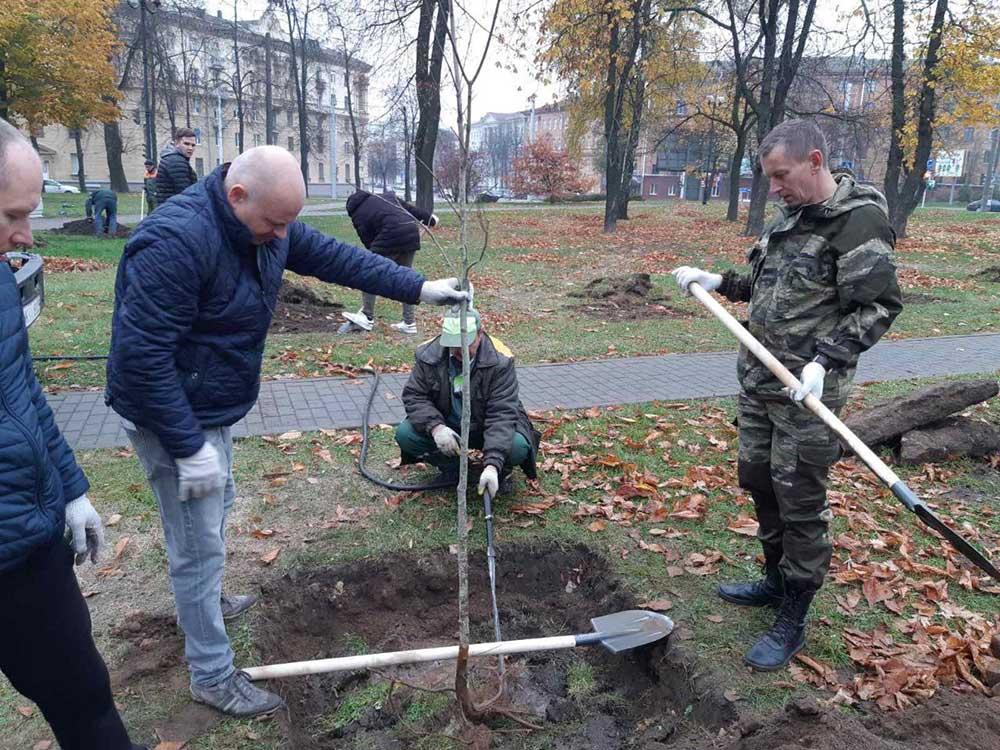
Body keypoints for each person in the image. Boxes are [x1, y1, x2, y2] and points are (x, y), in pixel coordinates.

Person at [105, 145, 469, 717]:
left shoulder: (267, 226)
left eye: (288, 223)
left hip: (209, 402)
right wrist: (187, 445)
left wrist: (420, 289)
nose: (282, 235)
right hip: (168, 411)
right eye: (274, 222)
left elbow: (338, 259)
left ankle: (205, 602)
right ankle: (211, 672)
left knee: (214, 505)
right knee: (198, 540)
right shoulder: (173, 242)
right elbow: (141, 362)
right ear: (236, 195)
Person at [672, 119, 903, 671]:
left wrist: (825, 361)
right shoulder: (792, 217)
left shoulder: (857, 223)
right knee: (757, 480)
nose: (774, 188)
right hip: (759, 383)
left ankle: (794, 611)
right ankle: (775, 580)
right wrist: (720, 281)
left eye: (781, 176)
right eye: (770, 178)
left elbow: (877, 306)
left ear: (815, 162)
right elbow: (767, 285)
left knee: (799, 500)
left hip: (808, 396)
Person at [0, 118, 145, 750]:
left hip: (30, 555)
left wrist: (70, 488)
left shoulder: (2, 281)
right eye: (11, 213)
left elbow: (23, 393)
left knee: (83, 695)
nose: (24, 236)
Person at [396, 306, 540, 496]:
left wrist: (492, 465)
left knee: (517, 446)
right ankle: (453, 468)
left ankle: (501, 471)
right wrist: (436, 428)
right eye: (454, 344)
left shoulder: (500, 360)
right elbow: (415, 395)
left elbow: (502, 413)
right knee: (406, 434)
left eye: (465, 343)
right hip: (449, 424)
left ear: (480, 333)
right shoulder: (428, 354)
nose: (459, 351)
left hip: (484, 425)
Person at [340, 189, 439, 335]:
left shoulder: (357, 213)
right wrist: (430, 219)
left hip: (390, 235)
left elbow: (367, 240)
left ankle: (367, 316)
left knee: (368, 272)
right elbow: (410, 209)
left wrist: (377, 258)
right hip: (410, 234)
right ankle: (409, 322)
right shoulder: (387, 197)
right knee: (406, 279)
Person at [155, 127, 198, 206]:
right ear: (176, 143)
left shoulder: (172, 158)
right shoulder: (176, 161)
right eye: (186, 144)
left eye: (193, 145)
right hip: (174, 211)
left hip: (168, 209)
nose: (190, 148)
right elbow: (186, 192)